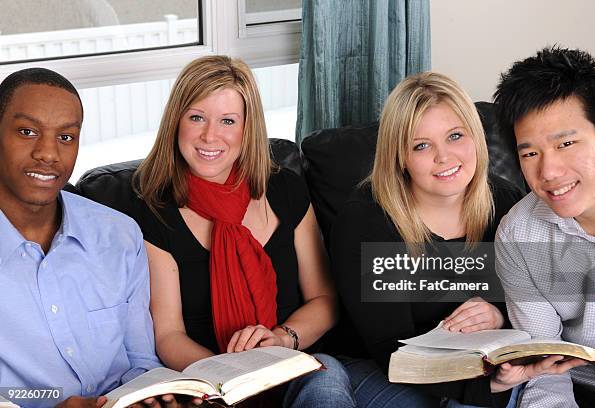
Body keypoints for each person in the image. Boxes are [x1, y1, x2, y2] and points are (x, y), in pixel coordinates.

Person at [330, 72, 576, 408]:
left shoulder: (507, 204)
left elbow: (538, 300)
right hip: (384, 367)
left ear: (475, 137)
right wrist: (488, 388)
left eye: (455, 136)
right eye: (421, 145)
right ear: (400, 157)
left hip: (481, 362)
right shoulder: (365, 222)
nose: (443, 157)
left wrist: (498, 313)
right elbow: (390, 349)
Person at [132, 55, 355, 407]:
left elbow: (324, 301)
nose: (210, 135)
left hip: (298, 367)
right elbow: (169, 335)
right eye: (196, 117)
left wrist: (282, 340)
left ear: (246, 128)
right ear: (176, 121)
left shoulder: (285, 190)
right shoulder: (154, 211)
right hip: (214, 381)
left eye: (227, 120)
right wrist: (230, 375)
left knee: (326, 381)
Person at [0, 68, 161, 408]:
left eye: (66, 137)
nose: (48, 153)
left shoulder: (119, 235)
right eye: (27, 131)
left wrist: (150, 396)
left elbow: (142, 361)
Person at [493, 46, 595, 407]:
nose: (548, 172)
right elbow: (545, 363)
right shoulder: (517, 235)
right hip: (578, 389)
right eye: (530, 153)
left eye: (566, 143)